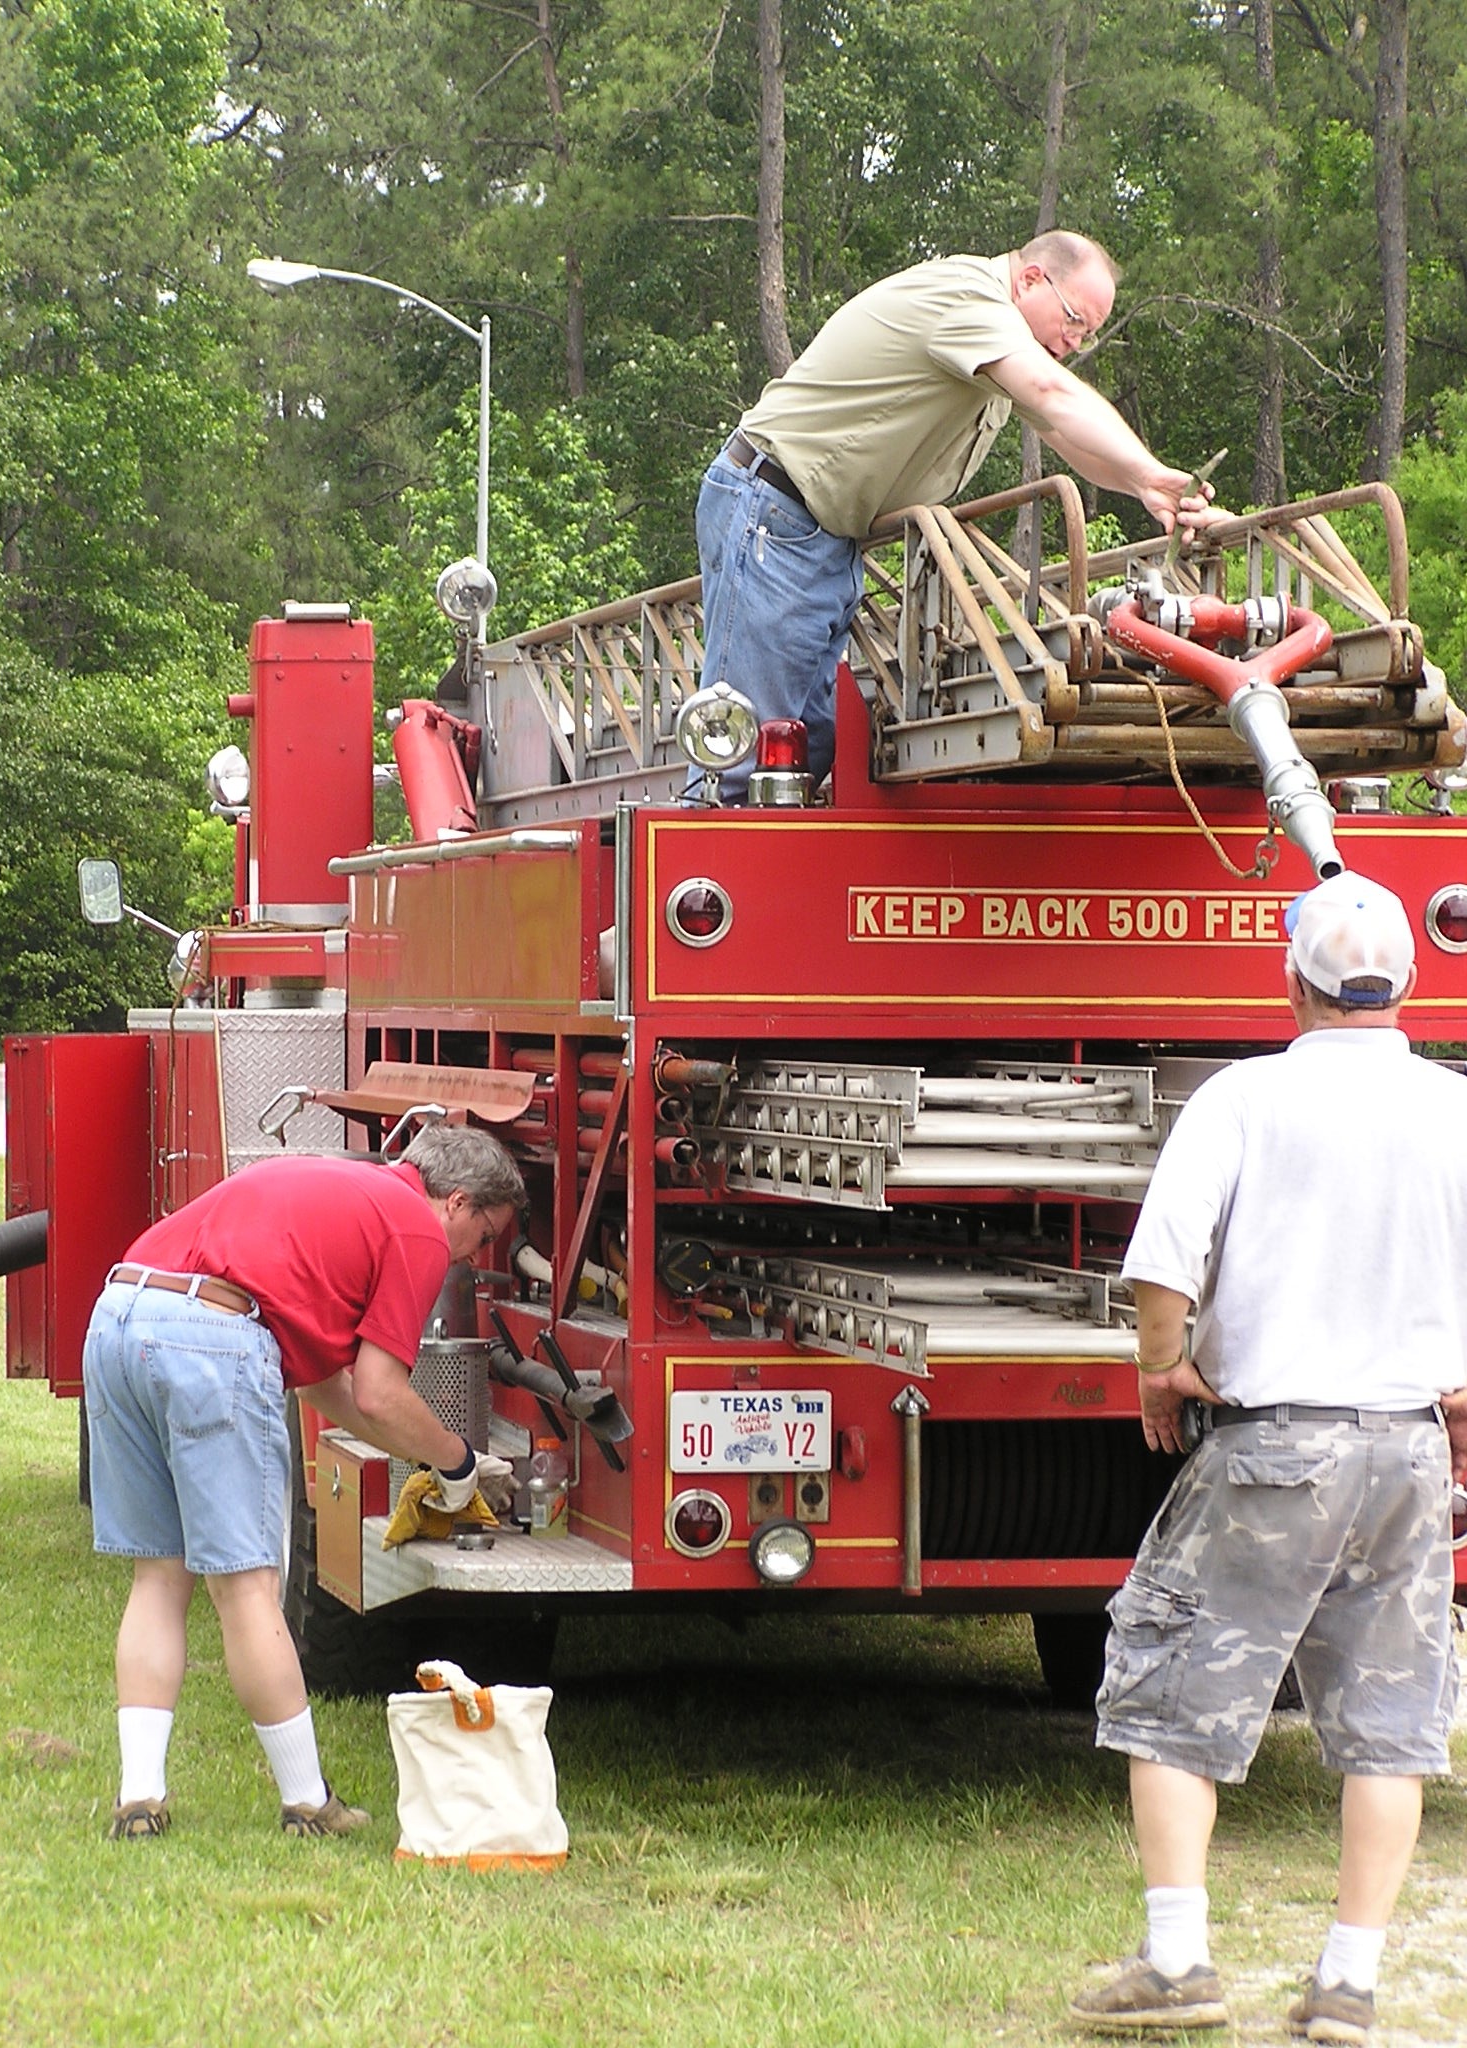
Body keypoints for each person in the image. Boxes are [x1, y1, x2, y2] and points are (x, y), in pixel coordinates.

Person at [1068, 871, 1467, 2040]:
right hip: (1406, 1454)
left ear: (1290, 978)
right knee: (1389, 1720)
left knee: (1171, 1692)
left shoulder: (1245, 1097)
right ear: (1407, 982)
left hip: (1272, 1447)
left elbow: (1164, 1265)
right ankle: (1347, 1983)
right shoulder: (1456, 1107)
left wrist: (1161, 1364)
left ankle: (1179, 1959)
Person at [82, 1121, 526, 1842]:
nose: (471, 1258)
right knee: (247, 1587)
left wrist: (428, 1456)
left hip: (119, 1317)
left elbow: (328, 1388)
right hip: (211, 1337)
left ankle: (140, 1800)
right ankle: (307, 1804)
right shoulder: (415, 1228)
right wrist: (457, 1463)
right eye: (482, 1238)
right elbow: (382, 1392)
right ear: (458, 1202)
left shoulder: (341, 1188)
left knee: (159, 1578)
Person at [695, 229, 1219, 799]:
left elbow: (1071, 439)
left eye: (1088, 336)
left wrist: (1149, 487)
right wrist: (1146, 471)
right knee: (739, 756)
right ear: (1031, 279)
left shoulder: (999, 340)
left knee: (810, 747)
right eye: (1073, 321)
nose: (1073, 343)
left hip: (819, 533)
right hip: (776, 512)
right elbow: (1053, 394)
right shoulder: (967, 298)